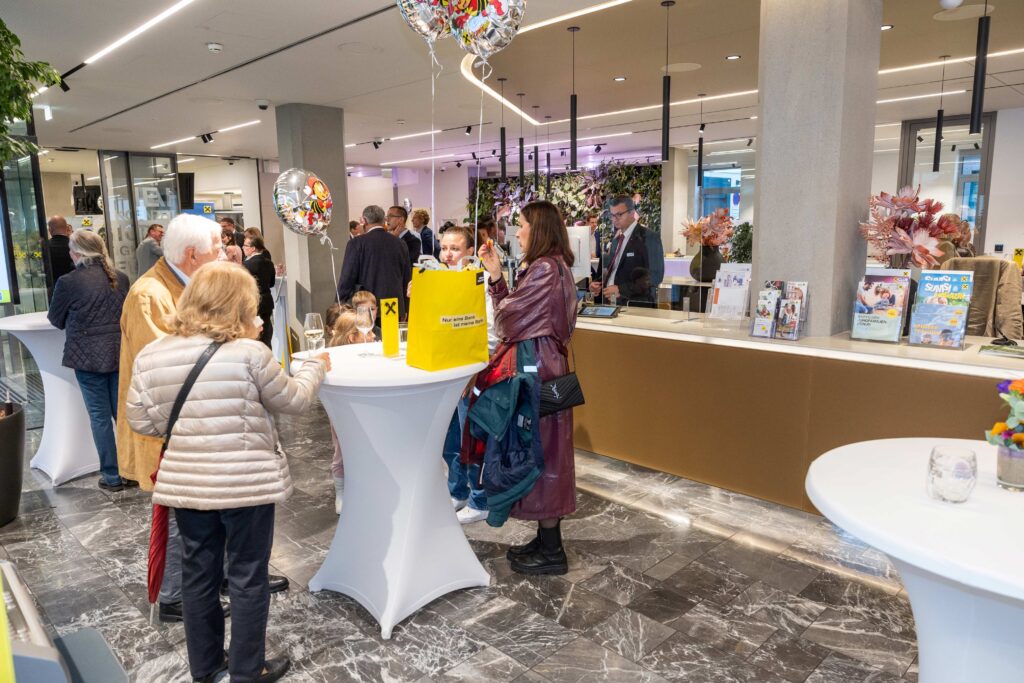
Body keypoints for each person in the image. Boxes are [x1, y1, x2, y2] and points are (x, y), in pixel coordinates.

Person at [127, 262, 329, 683]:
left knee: (199, 577)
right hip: (247, 487)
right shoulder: (251, 353)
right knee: (247, 577)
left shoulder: (152, 355)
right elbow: (293, 401)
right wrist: (315, 367)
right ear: (240, 304)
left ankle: (205, 671)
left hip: (188, 487)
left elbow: (141, 422)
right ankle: (245, 670)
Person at [117, 213, 289, 624]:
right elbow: (168, 369)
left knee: (214, 513)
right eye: (219, 249)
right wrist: (243, 343)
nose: (226, 257)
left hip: (206, 428)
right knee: (182, 518)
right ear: (193, 255)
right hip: (174, 436)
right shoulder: (150, 294)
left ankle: (231, 577)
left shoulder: (186, 284)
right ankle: (176, 596)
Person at [478, 200, 578, 574]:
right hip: (550, 366)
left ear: (538, 229)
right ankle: (547, 539)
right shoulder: (558, 267)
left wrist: (498, 281)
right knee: (548, 449)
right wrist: (499, 278)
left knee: (540, 451)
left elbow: (507, 321)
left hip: (538, 371)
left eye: (521, 225)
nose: (517, 232)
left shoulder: (542, 270)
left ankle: (552, 552)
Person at [48, 230, 132, 491]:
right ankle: (132, 469)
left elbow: (55, 319)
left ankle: (112, 475)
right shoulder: (121, 278)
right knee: (124, 416)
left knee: (99, 417)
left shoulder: (68, 282)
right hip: (120, 355)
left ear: (76, 254)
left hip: (88, 360)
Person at [439, 226, 498, 524]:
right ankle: (457, 489)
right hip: (444, 369)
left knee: (471, 436)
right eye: (444, 247)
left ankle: (480, 498)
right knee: (450, 436)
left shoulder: (481, 282)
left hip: (470, 371)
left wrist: (478, 366)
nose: (449, 254)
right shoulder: (436, 281)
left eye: (455, 248)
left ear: (469, 251)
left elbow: (491, 330)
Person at [325, 307, 376, 514]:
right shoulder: (336, 361)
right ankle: (341, 491)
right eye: (369, 332)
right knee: (341, 450)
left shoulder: (371, 356)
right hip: (342, 410)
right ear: (353, 337)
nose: (374, 335)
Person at [337, 205, 412, 320]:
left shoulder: (357, 243)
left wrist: (339, 305)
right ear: (384, 220)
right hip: (394, 308)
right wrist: (406, 308)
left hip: (366, 308)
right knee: (392, 338)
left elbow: (347, 278)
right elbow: (407, 280)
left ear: (365, 221)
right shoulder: (400, 244)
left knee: (367, 337)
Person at [588, 196, 664, 306]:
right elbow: (613, 269)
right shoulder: (616, 239)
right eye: (612, 215)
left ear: (632, 213)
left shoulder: (649, 237)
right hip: (609, 303)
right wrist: (597, 284)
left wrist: (621, 290)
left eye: (619, 214)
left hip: (634, 305)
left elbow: (655, 276)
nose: (615, 219)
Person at [243, 233, 276, 348]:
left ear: (253, 248)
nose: (243, 248)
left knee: (254, 338)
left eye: (245, 246)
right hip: (267, 304)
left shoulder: (246, 265)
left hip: (253, 304)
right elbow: (272, 283)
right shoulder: (269, 263)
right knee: (267, 336)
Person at [46, 215, 75, 281]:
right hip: (74, 285)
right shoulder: (76, 245)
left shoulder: (45, 246)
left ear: (50, 230)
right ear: (67, 228)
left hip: (53, 286)